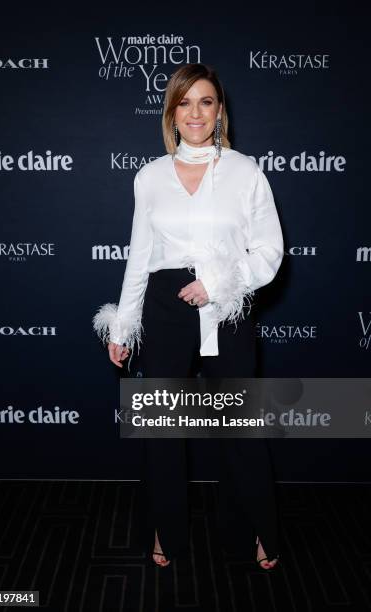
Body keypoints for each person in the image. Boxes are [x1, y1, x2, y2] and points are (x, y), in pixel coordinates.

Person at [93, 63, 284, 570]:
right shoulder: (150, 177)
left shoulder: (246, 171)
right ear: (171, 113)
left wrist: (218, 283)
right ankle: (165, 526)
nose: (195, 113)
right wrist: (123, 323)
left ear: (220, 111)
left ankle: (257, 530)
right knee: (162, 431)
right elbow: (139, 255)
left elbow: (270, 251)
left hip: (228, 307)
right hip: (163, 305)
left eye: (206, 102)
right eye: (185, 103)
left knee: (240, 429)